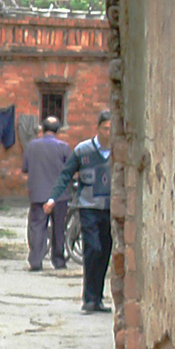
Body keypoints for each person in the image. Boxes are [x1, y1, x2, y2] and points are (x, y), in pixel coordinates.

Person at [55, 112, 114, 312]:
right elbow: (66, 173)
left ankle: (97, 298)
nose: (109, 133)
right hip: (88, 207)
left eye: (112, 129)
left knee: (105, 252)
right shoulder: (83, 150)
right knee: (93, 249)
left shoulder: (118, 152)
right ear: (98, 128)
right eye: (105, 128)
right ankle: (88, 297)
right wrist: (53, 197)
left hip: (110, 209)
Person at [22, 113, 71, 271]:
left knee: (37, 227)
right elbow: (70, 170)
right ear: (57, 130)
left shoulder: (32, 146)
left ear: (42, 129)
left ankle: (36, 260)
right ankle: (58, 260)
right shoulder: (63, 147)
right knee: (59, 228)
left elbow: (25, 168)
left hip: (38, 194)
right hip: (59, 196)